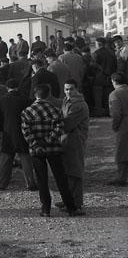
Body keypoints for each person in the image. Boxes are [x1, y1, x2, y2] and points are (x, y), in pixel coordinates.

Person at [21, 84, 81, 217]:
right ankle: (71, 208)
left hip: (36, 150)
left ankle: (45, 209)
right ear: (48, 95)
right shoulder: (55, 110)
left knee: (42, 180)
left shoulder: (27, 112)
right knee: (61, 178)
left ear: (35, 95)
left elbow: (26, 132)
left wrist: (36, 144)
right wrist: (48, 140)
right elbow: (59, 128)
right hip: (53, 148)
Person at [0, 79, 35, 190]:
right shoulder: (26, 100)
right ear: (18, 87)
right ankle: (30, 183)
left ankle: (2, 183)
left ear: (7, 88)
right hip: (23, 131)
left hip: (8, 132)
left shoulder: (1, 100)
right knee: (25, 158)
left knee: (6, 159)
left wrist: (2, 129)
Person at [59, 80, 89, 211]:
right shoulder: (67, 101)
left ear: (77, 89)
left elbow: (67, 124)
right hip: (67, 140)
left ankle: (75, 203)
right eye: (66, 89)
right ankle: (68, 199)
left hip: (75, 140)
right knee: (67, 170)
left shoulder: (78, 105)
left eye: (71, 89)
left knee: (75, 171)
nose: (68, 92)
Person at [107, 72, 128, 186]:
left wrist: (115, 126)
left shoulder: (114, 94)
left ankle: (121, 177)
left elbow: (116, 114)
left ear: (114, 81)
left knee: (122, 151)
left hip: (124, 125)